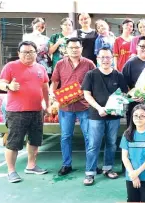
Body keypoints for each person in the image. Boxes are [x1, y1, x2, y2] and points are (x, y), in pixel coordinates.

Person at [0, 41, 51, 183]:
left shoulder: (41, 68)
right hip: (16, 112)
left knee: (35, 140)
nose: (28, 54)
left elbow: (45, 88)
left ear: (36, 53)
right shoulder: (11, 66)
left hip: (36, 110)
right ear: (18, 54)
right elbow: (2, 83)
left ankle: (31, 166)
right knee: (13, 142)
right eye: (24, 52)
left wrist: (47, 105)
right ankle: (11, 171)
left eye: (31, 52)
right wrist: (9, 86)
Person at [81, 47, 129, 185]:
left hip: (113, 117)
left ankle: (108, 168)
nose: (105, 60)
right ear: (98, 59)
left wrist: (118, 107)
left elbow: (124, 94)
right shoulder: (91, 74)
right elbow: (87, 95)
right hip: (96, 115)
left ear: (112, 59)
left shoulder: (118, 75)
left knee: (112, 143)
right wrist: (99, 108)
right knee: (93, 144)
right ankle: (90, 173)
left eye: (108, 57)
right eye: (102, 57)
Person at [50, 37, 96, 176]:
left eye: (77, 47)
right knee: (65, 136)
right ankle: (66, 164)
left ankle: (91, 165)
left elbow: (95, 82)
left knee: (89, 137)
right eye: (71, 47)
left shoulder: (89, 64)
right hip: (65, 107)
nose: (74, 50)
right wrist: (53, 96)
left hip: (84, 106)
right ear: (66, 49)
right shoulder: (59, 64)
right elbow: (55, 82)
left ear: (81, 49)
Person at [120, 104, 145, 203]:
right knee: (132, 200)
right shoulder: (127, 134)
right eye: (136, 115)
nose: (139, 118)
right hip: (131, 175)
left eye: (142, 115)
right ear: (132, 117)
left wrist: (137, 172)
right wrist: (133, 174)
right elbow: (125, 157)